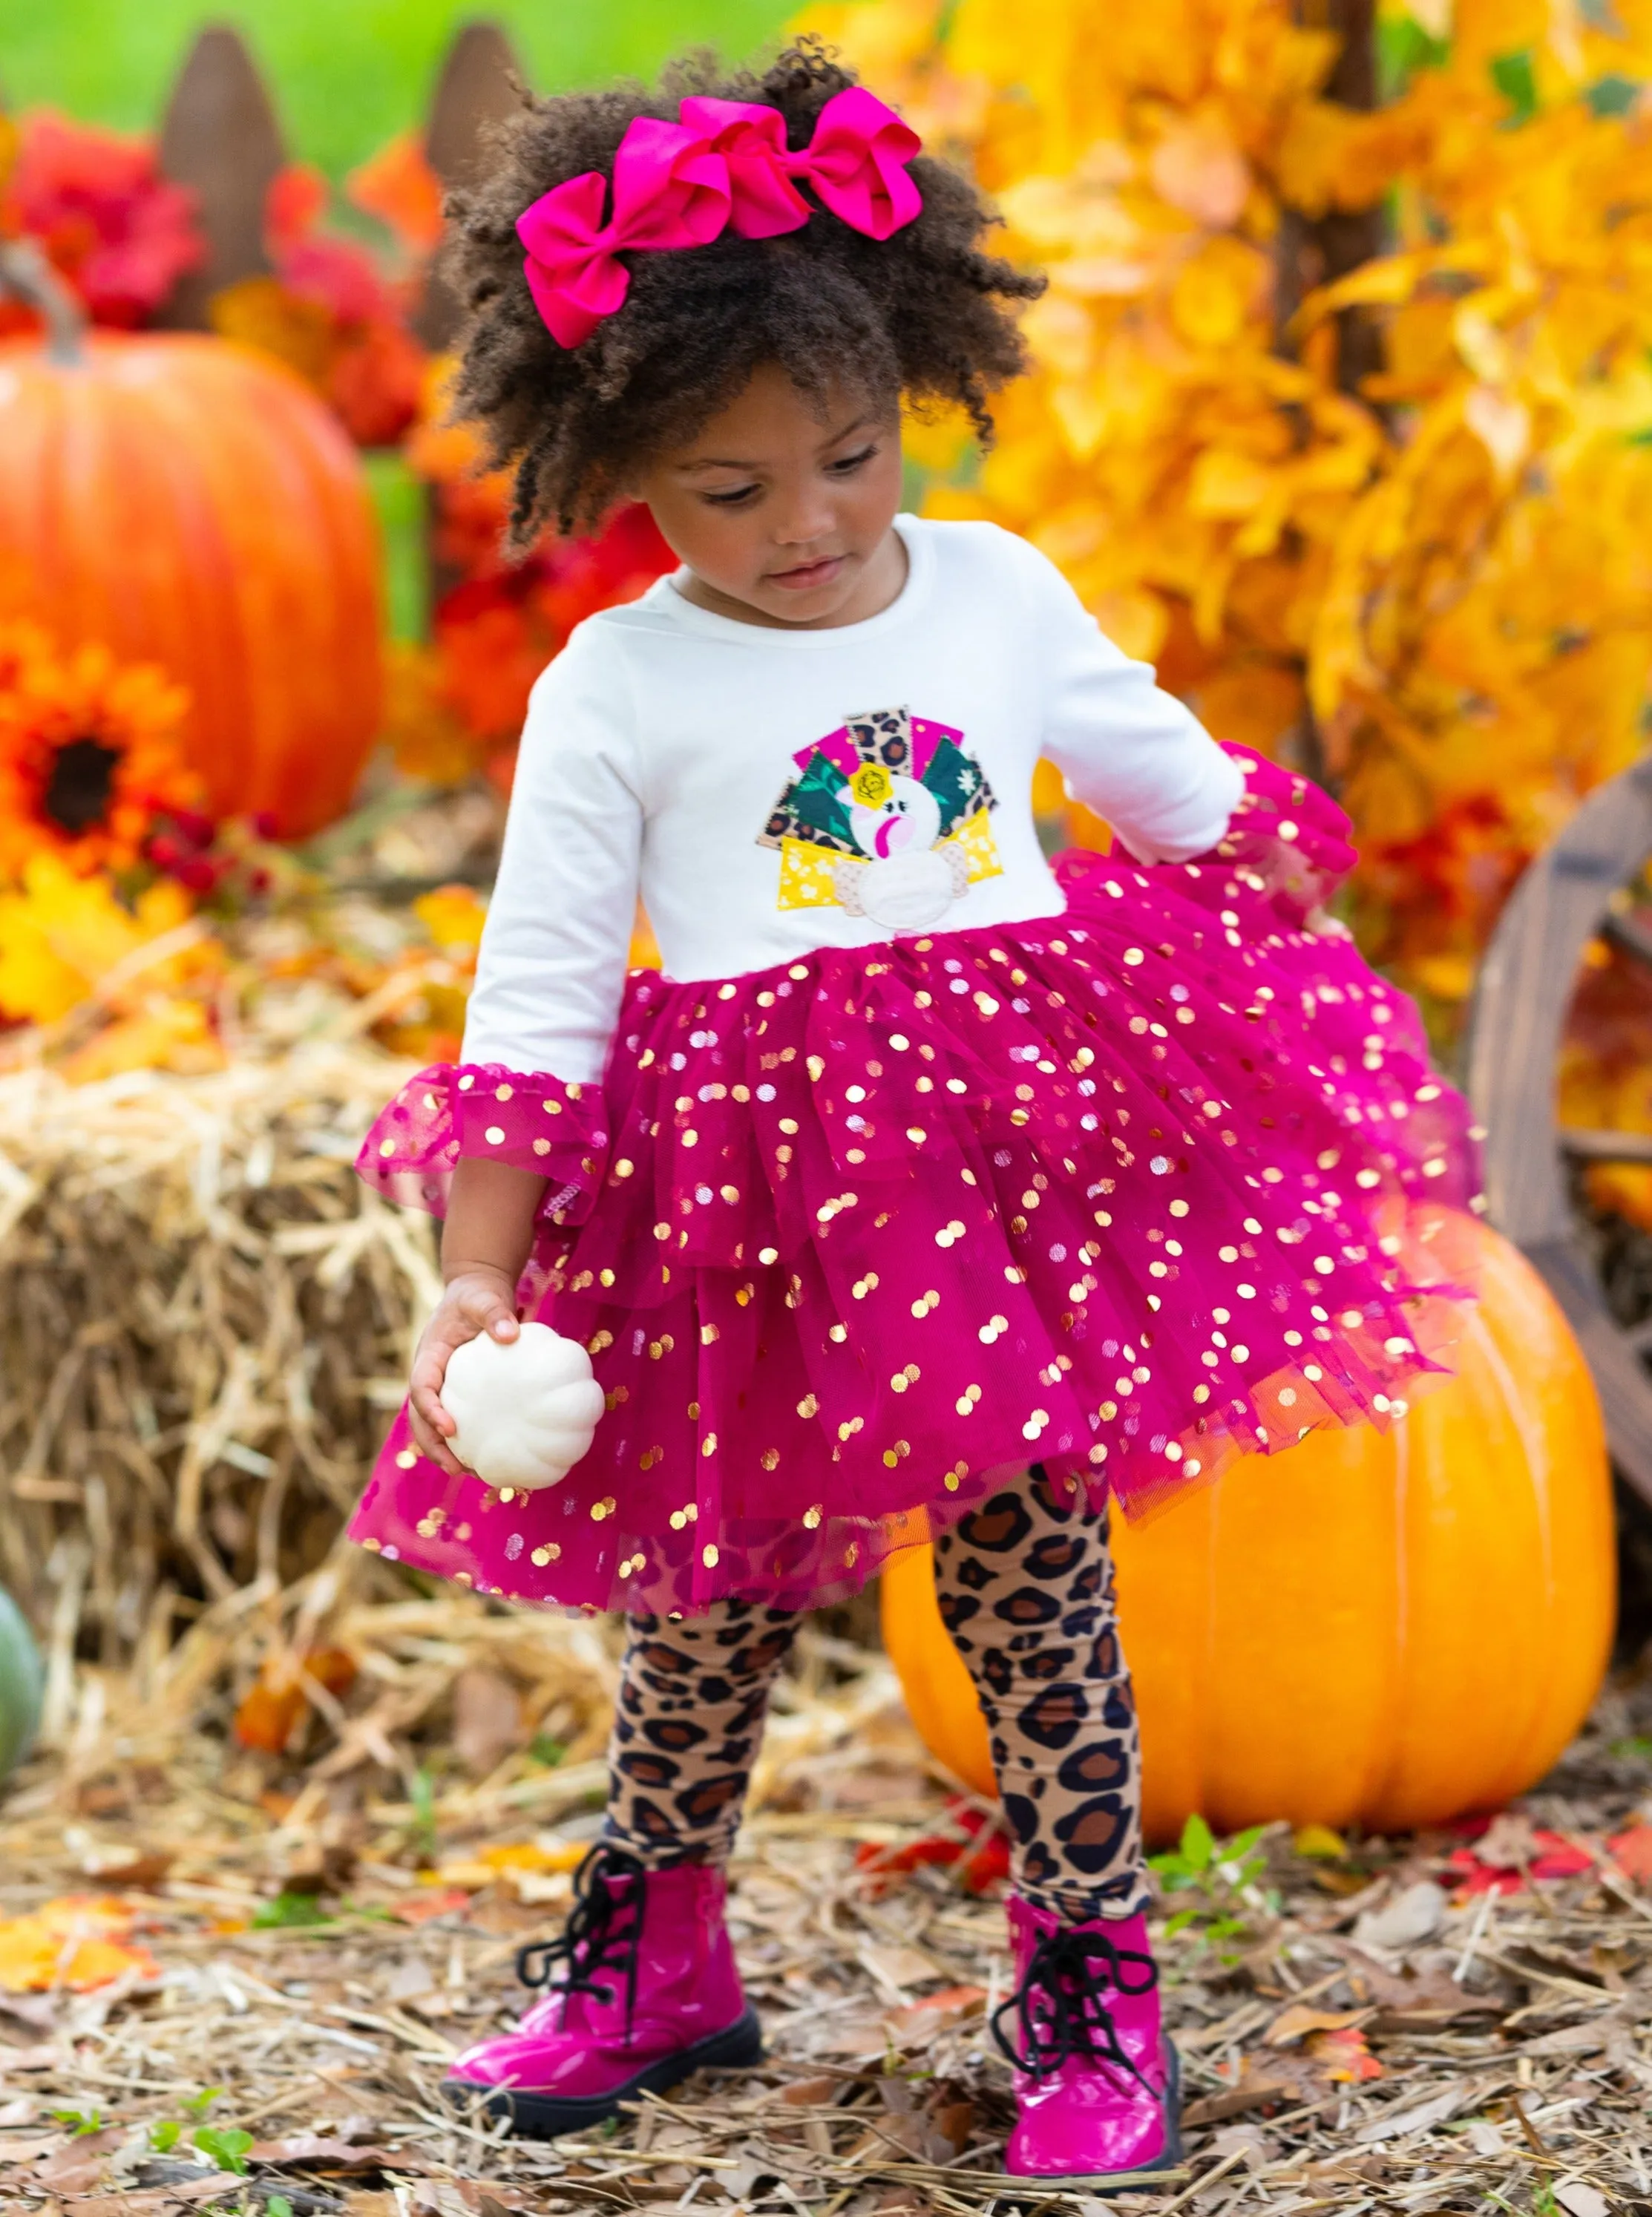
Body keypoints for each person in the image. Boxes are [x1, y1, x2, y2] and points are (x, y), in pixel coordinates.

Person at [351, 39, 1482, 2187]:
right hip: (753, 1204)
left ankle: (1089, 1978)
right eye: (729, 489)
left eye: (849, 457)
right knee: (702, 1598)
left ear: (913, 393)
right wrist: (480, 1275)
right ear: (618, 473)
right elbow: (541, 995)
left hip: (998, 1176)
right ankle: (655, 1953)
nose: (808, 523)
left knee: (1032, 1579)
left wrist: (1266, 874)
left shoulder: (994, 592)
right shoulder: (614, 689)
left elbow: (1158, 775)